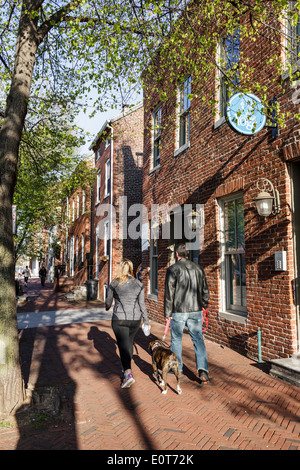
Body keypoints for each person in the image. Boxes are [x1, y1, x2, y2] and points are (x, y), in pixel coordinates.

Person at [164, 243, 210, 384]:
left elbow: (169, 293)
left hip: (179, 311)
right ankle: (203, 371)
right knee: (198, 340)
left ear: (177, 254)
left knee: (176, 339)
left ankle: (178, 368)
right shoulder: (198, 268)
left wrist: (167, 312)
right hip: (196, 310)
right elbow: (205, 290)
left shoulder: (173, 269)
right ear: (187, 254)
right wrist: (204, 304)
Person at [105, 259, 150, 389]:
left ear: (120, 269)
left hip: (120, 319)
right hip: (135, 319)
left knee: (123, 346)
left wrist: (107, 306)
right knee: (128, 343)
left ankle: (128, 374)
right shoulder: (138, 284)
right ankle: (126, 367)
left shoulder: (114, 283)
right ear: (131, 268)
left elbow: (108, 303)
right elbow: (142, 304)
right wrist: (146, 321)